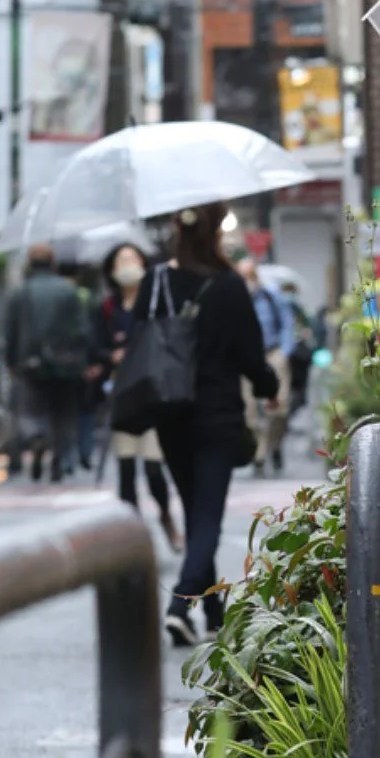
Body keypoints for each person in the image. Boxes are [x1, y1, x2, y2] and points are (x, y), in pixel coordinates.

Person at [140, 203, 278, 646]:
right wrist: (268, 385)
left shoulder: (155, 281)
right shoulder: (228, 286)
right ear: (216, 232)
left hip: (169, 415)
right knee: (207, 518)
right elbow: (252, 357)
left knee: (198, 513)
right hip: (217, 416)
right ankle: (180, 605)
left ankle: (214, 612)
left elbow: (138, 342)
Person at [96, 242, 180, 551]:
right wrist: (111, 356)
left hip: (153, 395)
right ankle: (131, 538)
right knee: (127, 469)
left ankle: (165, 516)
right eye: (122, 260)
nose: (128, 264)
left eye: (133, 258)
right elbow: (95, 348)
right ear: (112, 269)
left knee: (154, 468)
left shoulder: (156, 302)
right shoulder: (106, 308)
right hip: (122, 396)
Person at [4, 244, 90, 483]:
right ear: (53, 263)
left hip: (30, 364)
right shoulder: (69, 291)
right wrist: (82, 360)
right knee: (62, 414)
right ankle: (58, 460)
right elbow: (83, 330)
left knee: (31, 411)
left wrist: (11, 361)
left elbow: (10, 330)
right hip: (66, 364)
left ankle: (38, 439)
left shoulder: (20, 293)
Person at [241, 259, 293, 474]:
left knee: (278, 408)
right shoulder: (237, 301)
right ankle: (259, 453)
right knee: (249, 410)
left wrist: (283, 352)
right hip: (247, 358)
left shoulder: (272, 297)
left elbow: (287, 324)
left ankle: (275, 446)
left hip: (273, 354)